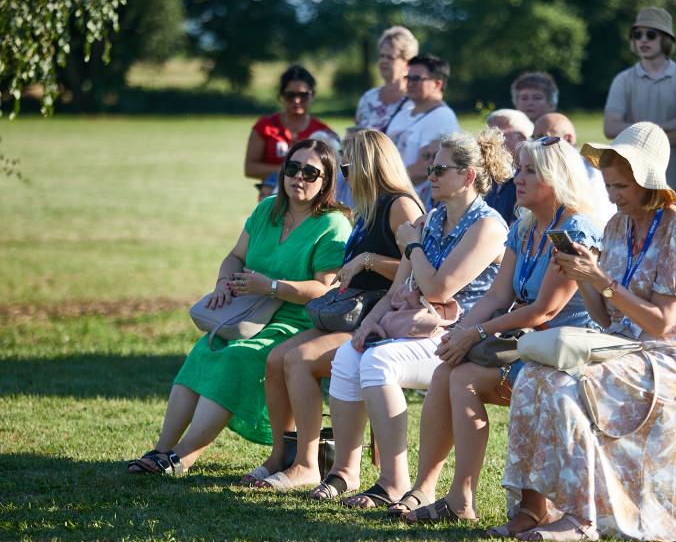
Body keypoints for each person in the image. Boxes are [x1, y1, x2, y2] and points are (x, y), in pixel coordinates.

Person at [496, 122, 676, 542]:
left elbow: (660, 323)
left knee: (568, 388)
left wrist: (601, 279)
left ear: (648, 182)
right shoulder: (616, 227)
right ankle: (533, 508)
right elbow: (605, 318)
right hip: (623, 347)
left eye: (621, 186)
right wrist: (582, 274)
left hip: (672, 357)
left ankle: (581, 518)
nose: (612, 195)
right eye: (607, 185)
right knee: (531, 376)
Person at [397, 135, 602, 523]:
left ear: (556, 178)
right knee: (446, 371)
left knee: (464, 379)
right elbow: (497, 295)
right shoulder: (525, 226)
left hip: (566, 356)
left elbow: (543, 310)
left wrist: (474, 334)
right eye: (519, 169)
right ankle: (425, 489)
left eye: (530, 171)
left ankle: (461, 500)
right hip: (530, 345)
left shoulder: (576, 230)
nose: (517, 179)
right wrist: (460, 332)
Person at [310, 128, 512, 507]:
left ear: (467, 176)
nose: (429, 176)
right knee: (349, 356)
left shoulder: (487, 226)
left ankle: (393, 481)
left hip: (459, 338)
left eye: (439, 170)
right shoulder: (432, 220)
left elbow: (439, 290)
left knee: (378, 361)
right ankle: (345, 471)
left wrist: (413, 245)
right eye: (431, 168)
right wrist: (370, 323)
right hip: (417, 327)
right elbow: (397, 289)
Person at [127, 139, 352, 475]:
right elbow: (235, 256)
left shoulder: (333, 224)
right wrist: (223, 283)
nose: (298, 177)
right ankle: (162, 448)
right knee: (205, 349)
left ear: (326, 181)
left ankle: (183, 457)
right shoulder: (267, 209)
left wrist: (271, 286)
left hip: (297, 321)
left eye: (310, 173)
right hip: (250, 312)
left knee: (237, 357)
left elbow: (323, 289)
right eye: (293, 168)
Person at [243, 130, 424, 489]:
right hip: (351, 312)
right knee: (276, 359)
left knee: (299, 360)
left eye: (348, 167)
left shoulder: (400, 206)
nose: (344, 175)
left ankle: (308, 464)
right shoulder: (370, 206)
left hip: (382, 319)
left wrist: (368, 260)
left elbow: (420, 269)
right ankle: (281, 455)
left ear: (370, 165)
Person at [604, 7, 676, 207]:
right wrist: (669, 125)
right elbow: (610, 127)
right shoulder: (623, 80)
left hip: (671, 181)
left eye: (651, 34)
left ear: (665, 39)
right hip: (629, 182)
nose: (643, 40)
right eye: (637, 35)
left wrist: (635, 137)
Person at [244, 65, 335, 184]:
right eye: (290, 95)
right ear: (281, 95)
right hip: (272, 193)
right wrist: (289, 170)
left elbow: (332, 171)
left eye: (303, 95)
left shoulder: (323, 132)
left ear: (312, 95)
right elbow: (250, 169)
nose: (296, 100)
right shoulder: (265, 126)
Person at [386, 54, 460, 188]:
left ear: (437, 84)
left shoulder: (442, 117)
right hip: (392, 190)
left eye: (417, 79)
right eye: (408, 78)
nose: (410, 83)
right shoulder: (403, 112)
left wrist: (383, 181)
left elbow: (425, 169)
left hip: (414, 196)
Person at [533, 112, 618, 228]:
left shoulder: (588, 171)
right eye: (533, 137)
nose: (535, 144)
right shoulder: (548, 168)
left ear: (568, 139)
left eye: (543, 137)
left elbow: (596, 220)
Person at [355, 26, 418, 132]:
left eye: (390, 57)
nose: (383, 61)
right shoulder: (368, 98)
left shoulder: (415, 103)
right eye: (381, 56)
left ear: (407, 63)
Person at [483, 108, 533, 223]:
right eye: (487, 136)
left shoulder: (534, 176)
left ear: (521, 137)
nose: (488, 142)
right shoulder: (488, 174)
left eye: (497, 135)